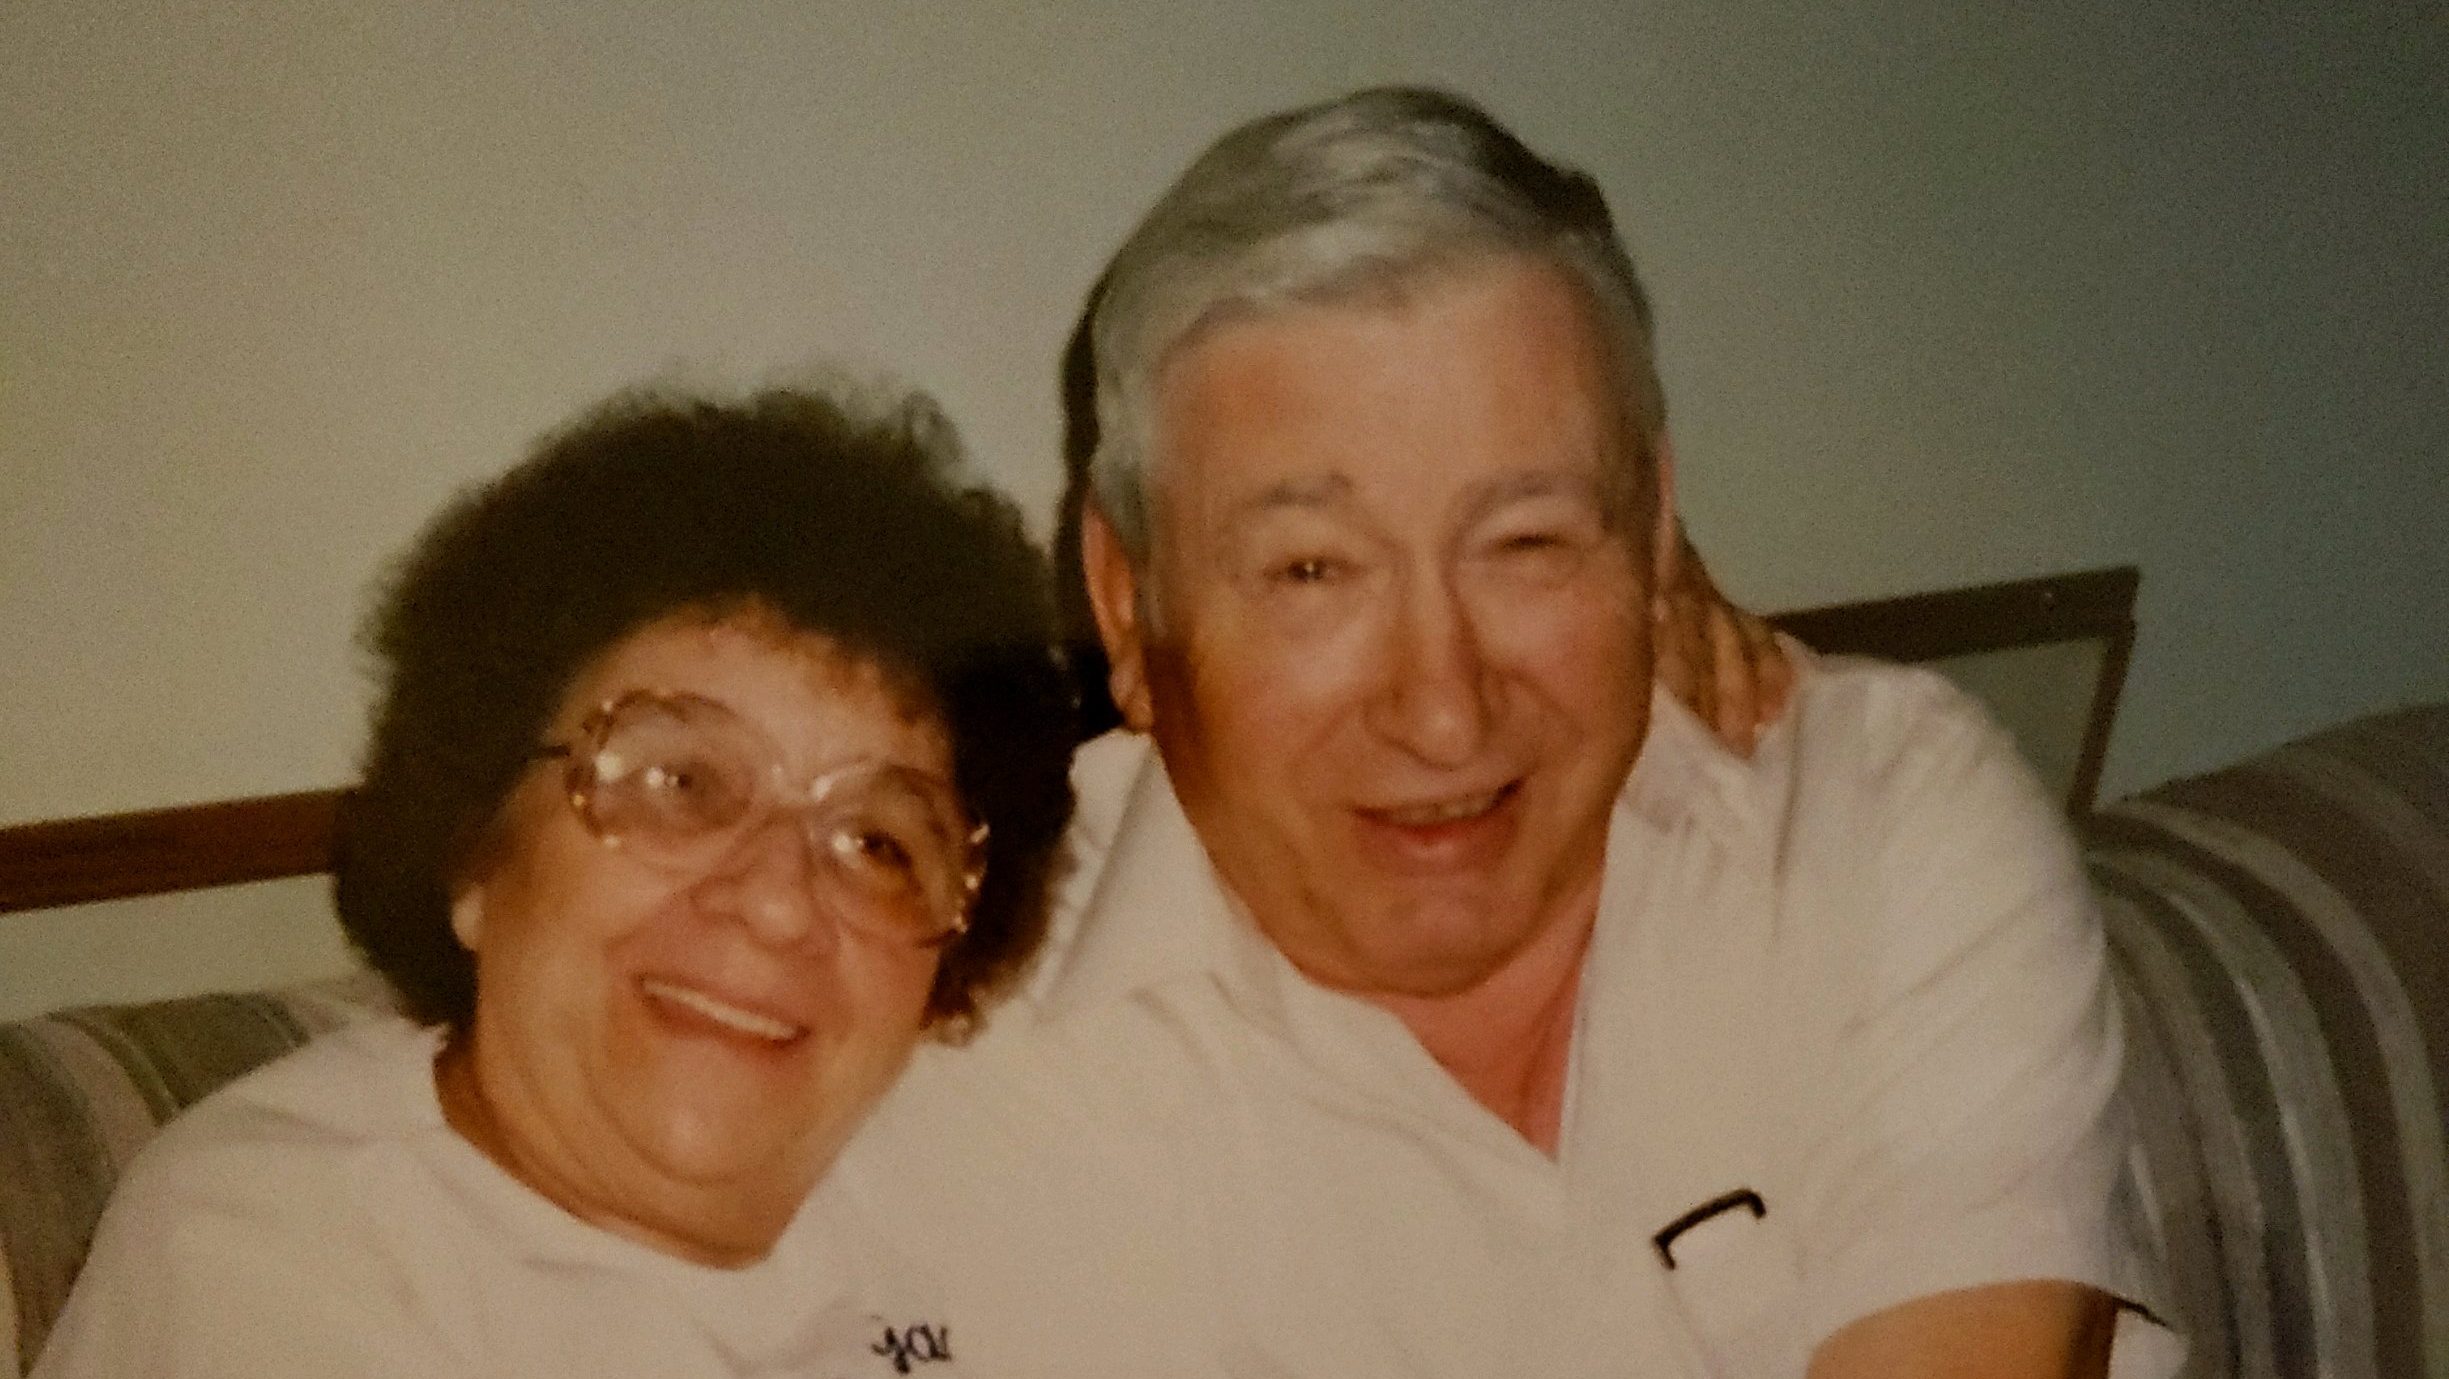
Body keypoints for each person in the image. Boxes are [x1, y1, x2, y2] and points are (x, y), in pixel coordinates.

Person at [831, 86, 2179, 1378]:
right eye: (1312, 570)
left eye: (1525, 542)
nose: (1441, 707)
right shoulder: (956, 1048)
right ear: (1129, 605)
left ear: (1655, 535)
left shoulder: (1875, 815)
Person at [33, 382, 1077, 1378]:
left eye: (878, 842)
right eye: (680, 780)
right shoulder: (273, 1251)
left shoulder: (962, 1184)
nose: (775, 900)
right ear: (475, 848)